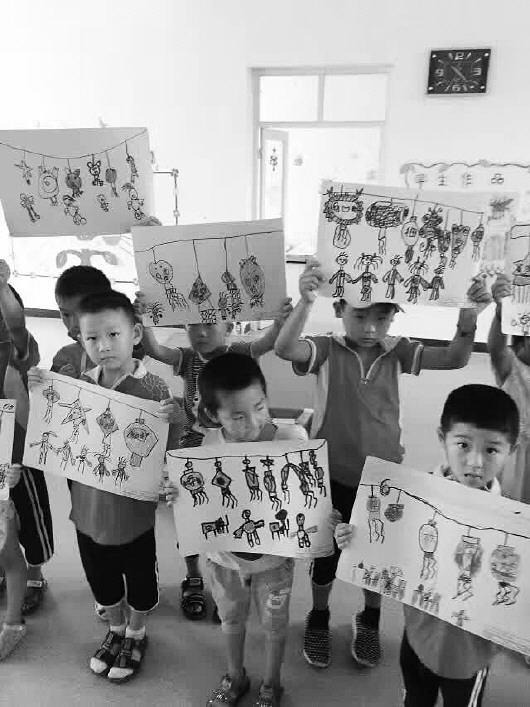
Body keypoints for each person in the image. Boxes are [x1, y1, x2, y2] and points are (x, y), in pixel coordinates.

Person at [274, 257, 491, 669]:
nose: (371, 328)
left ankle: (370, 618)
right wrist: (305, 301)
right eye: (360, 316)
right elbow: (285, 349)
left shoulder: (398, 350)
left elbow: (456, 358)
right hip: (330, 474)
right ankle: (319, 615)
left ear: (393, 317)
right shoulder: (326, 348)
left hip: (384, 477)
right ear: (339, 309)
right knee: (325, 555)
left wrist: (468, 317)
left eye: (382, 317)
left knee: (375, 555)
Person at [335, 384, 519, 706]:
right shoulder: (412, 496)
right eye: (463, 445)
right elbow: (384, 544)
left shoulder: (514, 525)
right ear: (442, 438)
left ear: (511, 450)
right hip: (419, 635)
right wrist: (355, 538)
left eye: (491, 450)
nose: (475, 462)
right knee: (416, 699)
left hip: (470, 655)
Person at [29, 290, 176, 681]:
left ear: (136, 334)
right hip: (87, 510)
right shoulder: (79, 383)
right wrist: (39, 387)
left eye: (113, 334)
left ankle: (136, 633)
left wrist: (175, 418)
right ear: (81, 340)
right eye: (92, 338)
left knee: (139, 577)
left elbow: (169, 448)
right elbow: (54, 426)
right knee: (100, 575)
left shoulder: (154, 390)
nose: (103, 346)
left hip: (133, 514)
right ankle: (115, 628)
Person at [165, 352, 318, 706]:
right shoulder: (208, 444)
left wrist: (322, 513)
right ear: (211, 415)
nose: (252, 421)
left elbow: (309, 498)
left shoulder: (291, 439)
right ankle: (235, 676)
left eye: (260, 407)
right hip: (225, 560)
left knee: (275, 625)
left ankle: (272, 684)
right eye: (237, 416)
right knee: (230, 619)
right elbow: (199, 498)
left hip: (274, 562)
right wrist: (178, 495)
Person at [136, 291, 293, 621]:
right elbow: (155, 350)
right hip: (196, 445)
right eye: (193, 324)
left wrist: (281, 322)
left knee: (239, 509)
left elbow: (266, 343)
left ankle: (236, 580)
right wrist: (144, 320)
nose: (201, 332)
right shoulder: (186, 357)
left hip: (238, 443)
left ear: (230, 325)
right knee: (190, 514)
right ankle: (194, 574)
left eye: (210, 323)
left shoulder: (240, 351)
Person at [0, 264, 54, 659]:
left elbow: (17, 324)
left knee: (32, 523)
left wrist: (3, 286)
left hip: (19, 455)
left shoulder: (15, 347)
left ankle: (35, 572)